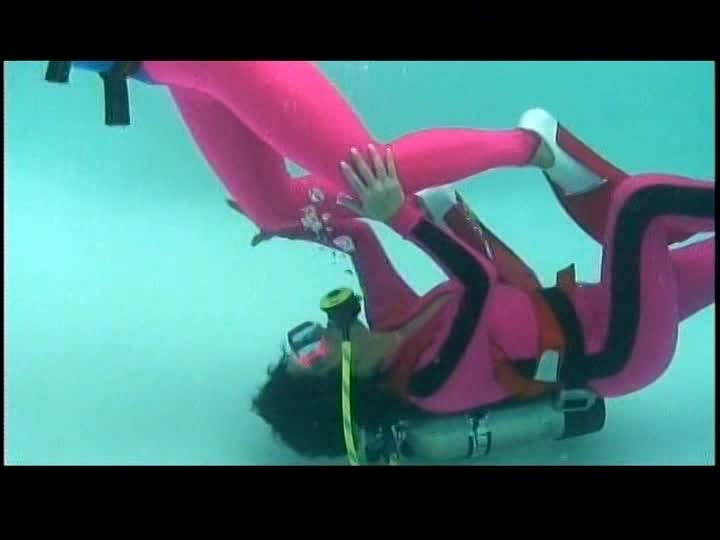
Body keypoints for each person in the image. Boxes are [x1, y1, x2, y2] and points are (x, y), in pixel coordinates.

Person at [48, 61, 715, 461]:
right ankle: (532, 145)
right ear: (348, 382)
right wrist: (401, 215)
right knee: (639, 206)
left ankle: (523, 159)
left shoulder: (391, 321)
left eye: (305, 344)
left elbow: (358, 240)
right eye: (320, 355)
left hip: (585, 307)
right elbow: (478, 282)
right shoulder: (431, 383)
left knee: (300, 204)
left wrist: (285, 227)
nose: (326, 334)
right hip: (621, 346)